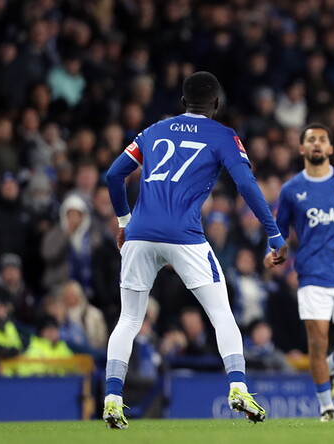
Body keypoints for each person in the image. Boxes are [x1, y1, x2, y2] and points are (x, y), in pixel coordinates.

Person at [103, 71, 287, 428]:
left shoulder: (153, 131)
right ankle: (238, 386)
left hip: (140, 234)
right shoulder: (223, 135)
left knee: (128, 319)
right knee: (221, 315)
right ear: (216, 104)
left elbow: (113, 175)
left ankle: (112, 397)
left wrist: (124, 222)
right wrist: (273, 232)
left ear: (183, 103)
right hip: (184, 235)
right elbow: (246, 184)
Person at [268, 123, 334, 422]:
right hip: (312, 274)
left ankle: (333, 367)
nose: (317, 144)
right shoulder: (291, 190)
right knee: (317, 340)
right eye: (311, 140)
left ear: (330, 148)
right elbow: (280, 227)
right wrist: (275, 248)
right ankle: (326, 406)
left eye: (322, 140)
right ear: (301, 149)